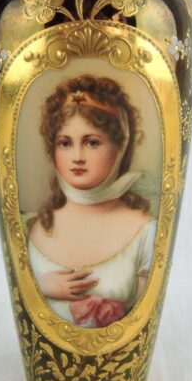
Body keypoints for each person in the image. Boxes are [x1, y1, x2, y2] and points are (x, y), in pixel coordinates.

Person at [21, 74, 159, 328]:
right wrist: (39, 285)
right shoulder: (34, 226)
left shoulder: (144, 231)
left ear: (120, 147)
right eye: (65, 143)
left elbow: (142, 316)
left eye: (92, 142)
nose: (77, 156)